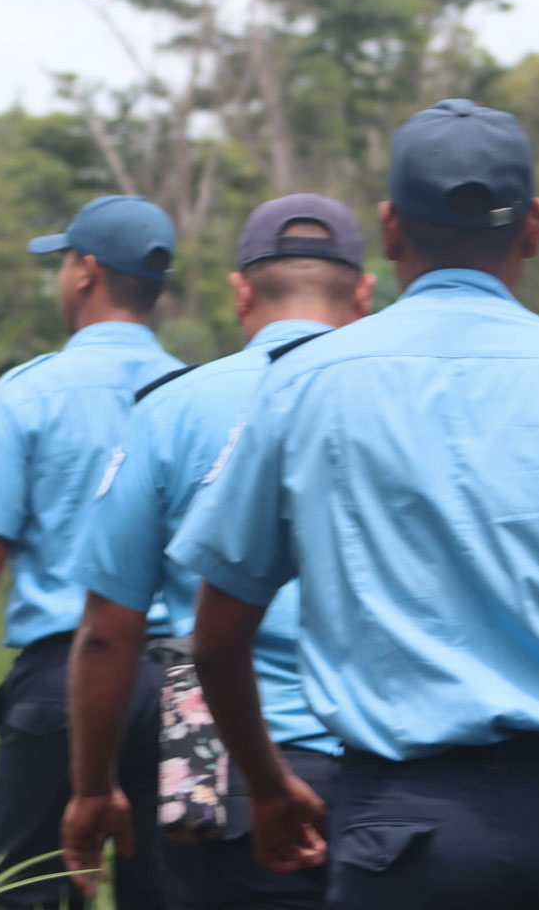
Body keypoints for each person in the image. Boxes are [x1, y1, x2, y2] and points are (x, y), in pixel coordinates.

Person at [168, 99, 539, 910]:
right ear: (533, 226)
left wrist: (271, 786)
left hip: (404, 837)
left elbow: (215, 643)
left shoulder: (306, 385)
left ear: (390, 230)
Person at [62, 195, 375, 909]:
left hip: (219, 772)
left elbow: (110, 632)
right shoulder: (404, 403)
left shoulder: (170, 410)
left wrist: (90, 788)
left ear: (240, 293)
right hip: (388, 774)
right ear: (363, 293)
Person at [0, 195, 184, 910]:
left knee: (29, 893)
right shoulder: (195, 394)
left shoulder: (30, 393)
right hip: (183, 687)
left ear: (85, 272)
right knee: (176, 893)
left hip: (66, 680)